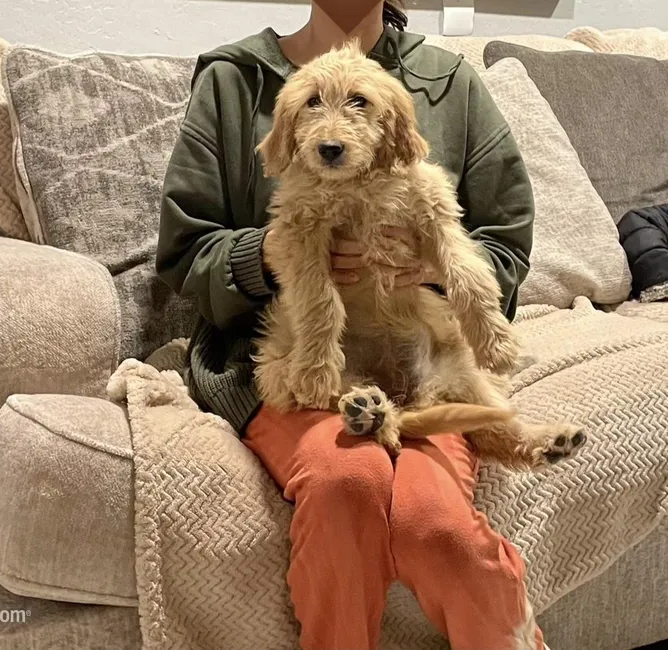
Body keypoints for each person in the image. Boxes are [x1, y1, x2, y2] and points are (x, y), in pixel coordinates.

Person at [157, 1, 540, 649]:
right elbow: (185, 252)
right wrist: (277, 254)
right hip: (288, 361)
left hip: (417, 361)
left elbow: (504, 244)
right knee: (346, 480)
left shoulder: (449, 84)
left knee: (434, 526)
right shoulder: (234, 79)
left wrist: (431, 266)